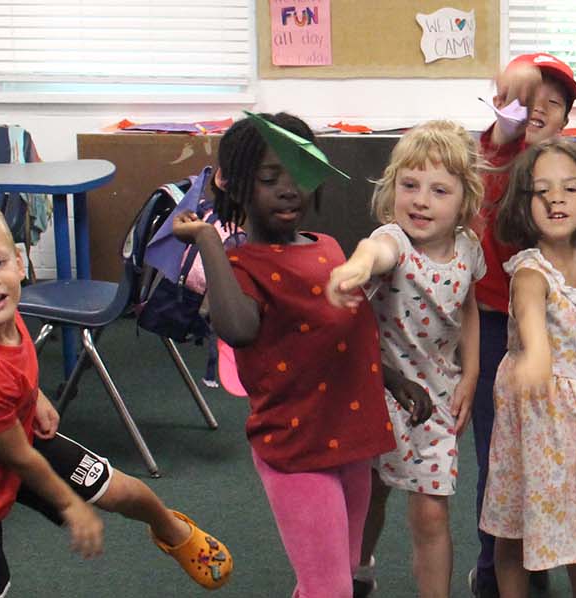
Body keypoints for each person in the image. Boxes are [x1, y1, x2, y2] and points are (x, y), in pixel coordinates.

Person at [0, 197, 233, 597]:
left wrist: (36, 395)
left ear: (19, 263)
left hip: (16, 434)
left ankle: (170, 528)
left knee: (120, 490)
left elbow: (11, 369)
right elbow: (19, 458)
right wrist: (71, 505)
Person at [177, 111, 427, 597]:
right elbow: (238, 328)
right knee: (329, 588)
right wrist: (209, 241)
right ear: (239, 186)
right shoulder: (240, 265)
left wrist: (395, 380)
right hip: (295, 448)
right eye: (270, 179)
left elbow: (352, 335)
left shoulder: (330, 247)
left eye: (300, 176)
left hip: (351, 437)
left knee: (338, 574)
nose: (289, 189)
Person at [323, 119, 487, 598]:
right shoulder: (394, 240)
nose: (421, 200)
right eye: (409, 185)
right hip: (376, 395)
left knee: (432, 512)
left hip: (433, 402)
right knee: (370, 493)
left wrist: (472, 371)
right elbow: (374, 251)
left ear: (463, 201)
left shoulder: (467, 249)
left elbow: (469, 308)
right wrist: (355, 267)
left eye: (439, 190)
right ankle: (358, 569)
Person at [481, 139, 576, 598]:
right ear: (524, 206)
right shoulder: (530, 273)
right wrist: (537, 359)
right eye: (540, 190)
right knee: (516, 523)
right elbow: (531, 323)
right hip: (535, 414)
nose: (555, 199)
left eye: (568, 188)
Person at [467, 52, 576, 596]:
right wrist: (510, 110)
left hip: (558, 334)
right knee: (498, 457)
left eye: (551, 105)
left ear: (565, 122)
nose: (537, 111)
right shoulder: (495, 153)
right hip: (494, 332)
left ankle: (534, 562)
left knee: (550, 454)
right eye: (527, 102)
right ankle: (494, 572)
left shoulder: (567, 175)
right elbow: (504, 134)